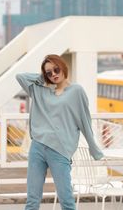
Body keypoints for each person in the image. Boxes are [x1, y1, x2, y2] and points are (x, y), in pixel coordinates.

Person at [16, 54, 104, 210]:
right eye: (49, 73)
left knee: (66, 200)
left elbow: (84, 121)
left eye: (56, 69)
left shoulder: (76, 91)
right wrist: (43, 78)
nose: (54, 74)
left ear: (63, 67)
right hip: (38, 147)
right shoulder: (41, 89)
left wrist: (94, 148)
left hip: (60, 150)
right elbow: (20, 77)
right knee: (32, 199)